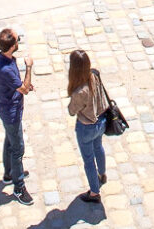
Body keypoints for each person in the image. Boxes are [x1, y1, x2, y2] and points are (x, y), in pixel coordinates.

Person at [0, 28, 34, 205]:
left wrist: (23, 85)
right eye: (17, 40)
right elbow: (23, 88)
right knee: (18, 149)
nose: (19, 42)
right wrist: (29, 67)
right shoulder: (6, 68)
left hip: (8, 108)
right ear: (12, 46)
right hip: (11, 112)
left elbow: (18, 85)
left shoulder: (4, 59)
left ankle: (9, 174)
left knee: (9, 140)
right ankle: (19, 188)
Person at [66, 50, 110, 204]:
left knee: (88, 160)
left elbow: (72, 111)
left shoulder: (79, 91)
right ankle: (102, 174)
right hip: (101, 122)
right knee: (98, 147)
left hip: (86, 127)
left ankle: (94, 192)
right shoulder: (95, 76)